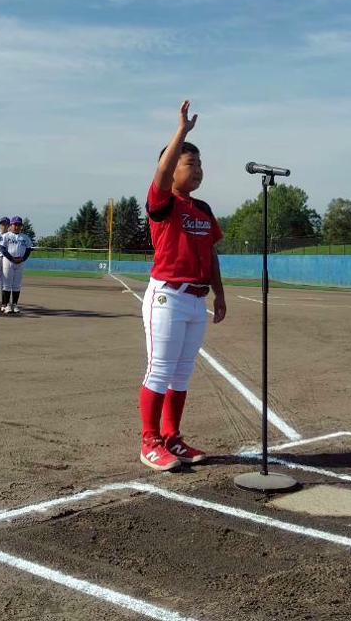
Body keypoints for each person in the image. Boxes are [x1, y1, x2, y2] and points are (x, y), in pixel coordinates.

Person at [137, 101, 227, 472]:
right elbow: (160, 171)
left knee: (183, 373)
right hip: (167, 297)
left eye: (200, 164)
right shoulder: (163, 204)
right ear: (173, 169)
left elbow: (212, 254)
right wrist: (182, 134)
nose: (199, 171)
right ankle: (150, 442)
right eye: (191, 164)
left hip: (195, 301)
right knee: (160, 370)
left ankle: (173, 437)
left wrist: (220, 294)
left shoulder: (203, 209)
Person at [0, 217, 33, 313]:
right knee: (7, 284)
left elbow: (28, 249)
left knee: (17, 285)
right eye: (15, 224)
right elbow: (2, 249)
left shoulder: (25, 237)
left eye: (19, 225)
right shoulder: (6, 236)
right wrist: (11, 258)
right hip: (8, 261)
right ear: (11, 225)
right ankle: (6, 305)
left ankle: (15, 304)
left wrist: (23, 259)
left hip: (20, 262)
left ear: (21, 226)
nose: (17, 226)